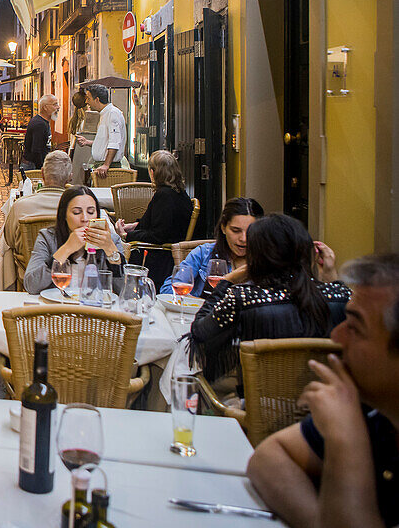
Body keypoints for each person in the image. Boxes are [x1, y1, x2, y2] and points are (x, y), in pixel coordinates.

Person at [246, 253, 399, 528]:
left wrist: (346, 440)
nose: (336, 336)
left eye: (355, 326)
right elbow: (269, 456)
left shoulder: (353, 420)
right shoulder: (373, 414)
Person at [188, 214, 349, 385]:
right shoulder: (342, 296)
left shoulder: (244, 298)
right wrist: (330, 277)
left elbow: (199, 332)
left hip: (260, 404)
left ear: (256, 255)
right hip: (325, 400)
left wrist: (226, 282)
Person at [23, 185, 125, 295]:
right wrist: (66, 249)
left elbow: (124, 290)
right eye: (76, 212)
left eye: (91, 212)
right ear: (64, 215)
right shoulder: (48, 238)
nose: (85, 218)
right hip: (55, 307)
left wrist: (111, 251)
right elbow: (31, 285)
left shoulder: (111, 240)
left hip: (95, 308)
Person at [114, 149, 193, 287]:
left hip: (159, 258)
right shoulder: (180, 193)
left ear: (152, 172)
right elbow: (158, 223)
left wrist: (127, 235)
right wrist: (134, 226)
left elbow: (158, 236)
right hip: (169, 252)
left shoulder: (164, 196)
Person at [0, 151, 70, 291]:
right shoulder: (78, 210)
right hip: (69, 275)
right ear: (70, 178)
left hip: (26, 270)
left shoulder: (20, 206)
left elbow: (9, 241)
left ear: (42, 174)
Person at [158, 197, 265, 296]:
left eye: (250, 232)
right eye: (236, 231)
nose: (243, 239)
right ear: (223, 228)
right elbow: (168, 289)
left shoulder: (266, 259)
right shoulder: (204, 253)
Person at [76, 84, 125, 178]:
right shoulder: (104, 114)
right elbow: (106, 141)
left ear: (97, 100)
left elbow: (114, 142)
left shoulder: (112, 113)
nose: (86, 102)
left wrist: (106, 165)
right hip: (102, 165)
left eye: (88, 98)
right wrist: (88, 142)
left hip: (108, 167)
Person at [22, 94, 57, 170]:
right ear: (45, 107)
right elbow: (36, 151)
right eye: (55, 104)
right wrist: (41, 168)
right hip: (32, 166)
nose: (58, 107)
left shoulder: (44, 122)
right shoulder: (40, 124)